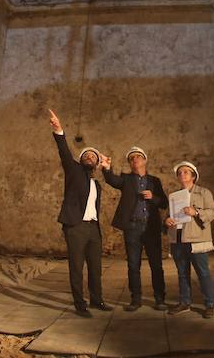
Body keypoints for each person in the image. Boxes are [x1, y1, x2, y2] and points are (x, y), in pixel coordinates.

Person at [48, 109, 113, 317]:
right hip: (75, 226)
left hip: (93, 229)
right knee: (76, 267)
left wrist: (107, 167)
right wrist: (59, 130)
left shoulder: (96, 184)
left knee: (95, 267)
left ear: (96, 163)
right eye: (86, 154)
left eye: (94, 156)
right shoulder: (74, 171)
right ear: (81, 159)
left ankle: (97, 300)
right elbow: (64, 152)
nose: (90, 157)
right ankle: (80, 304)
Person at [99, 146, 168, 311]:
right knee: (133, 265)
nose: (135, 160)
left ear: (144, 160)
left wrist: (154, 197)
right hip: (132, 227)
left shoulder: (154, 181)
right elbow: (112, 180)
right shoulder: (126, 180)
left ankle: (160, 299)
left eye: (138, 157)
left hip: (151, 227)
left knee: (156, 264)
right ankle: (135, 299)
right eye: (131, 158)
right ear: (130, 164)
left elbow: (164, 203)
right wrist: (107, 168)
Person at [164, 161, 214, 318]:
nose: (182, 175)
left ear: (193, 176)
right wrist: (167, 220)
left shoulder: (203, 193)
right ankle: (185, 302)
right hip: (178, 238)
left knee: (203, 272)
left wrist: (196, 212)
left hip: (196, 239)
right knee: (182, 273)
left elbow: (213, 212)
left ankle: (210, 304)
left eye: (186, 172)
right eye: (180, 173)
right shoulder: (174, 196)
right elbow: (169, 215)